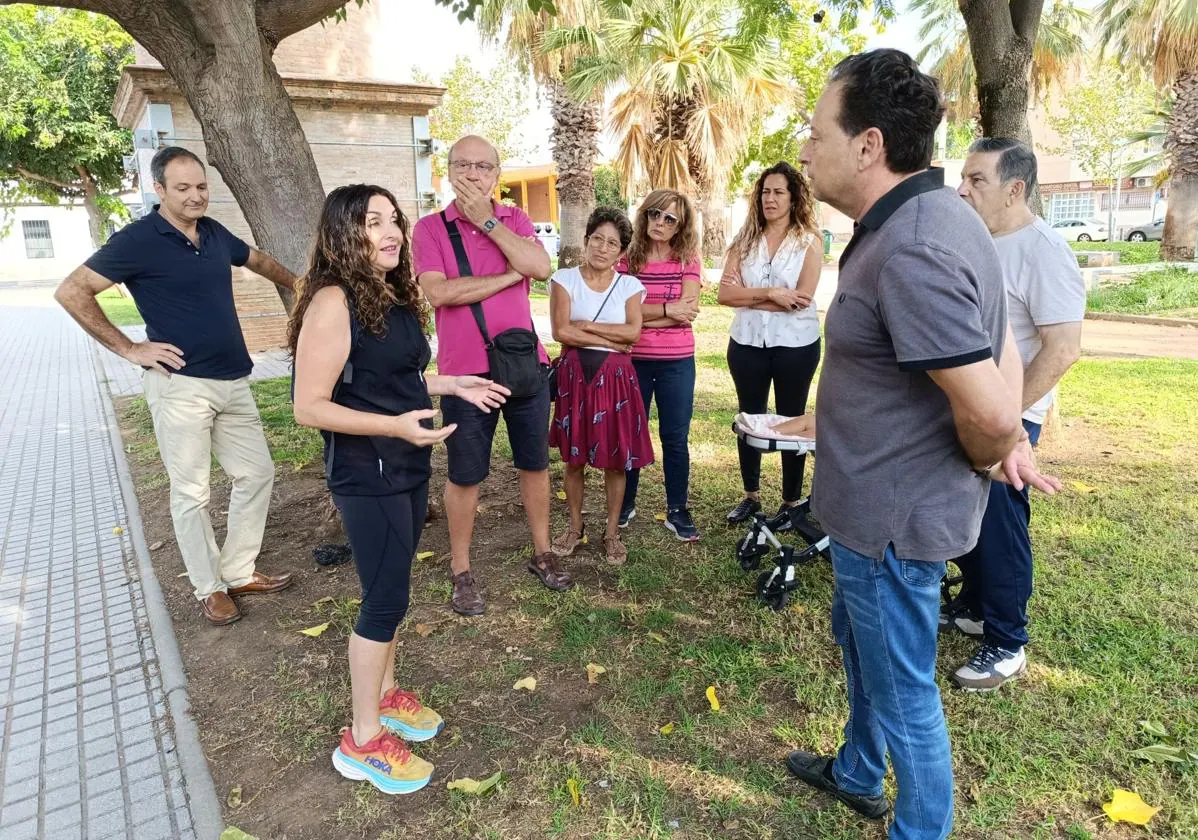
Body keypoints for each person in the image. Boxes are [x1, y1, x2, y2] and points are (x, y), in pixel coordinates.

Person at [776, 50, 1060, 839]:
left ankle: (920, 829)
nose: (805, 149)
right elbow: (997, 336)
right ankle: (860, 773)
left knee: (904, 690)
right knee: (865, 655)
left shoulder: (915, 246)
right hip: (870, 514)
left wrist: (995, 443)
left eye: (815, 131)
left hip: (894, 525)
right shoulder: (932, 217)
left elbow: (992, 409)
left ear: (867, 145)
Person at [290, 184, 510, 794]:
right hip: (369, 474)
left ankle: (385, 697)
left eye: (395, 220)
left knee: (394, 589)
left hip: (407, 463)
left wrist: (454, 383)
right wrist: (392, 426)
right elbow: (308, 406)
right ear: (344, 233)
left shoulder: (388, 293)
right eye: (373, 222)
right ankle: (362, 739)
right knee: (383, 601)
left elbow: (400, 376)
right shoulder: (333, 301)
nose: (392, 232)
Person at [55, 146, 297, 626]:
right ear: (159, 190)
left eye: (201, 187)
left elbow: (260, 261)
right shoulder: (137, 240)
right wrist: (129, 349)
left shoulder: (212, 233)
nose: (194, 196)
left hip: (234, 380)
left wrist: (302, 285)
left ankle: (238, 569)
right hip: (181, 387)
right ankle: (209, 588)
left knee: (257, 474)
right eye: (182, 188)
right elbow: (71, 291)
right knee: (192, 493)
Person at [412, 135, 569, 617]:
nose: (474, 175)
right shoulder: (429, 229)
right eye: (464, 165)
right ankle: (461, 569)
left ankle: (543, 552)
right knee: (465, 474)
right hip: (465, 377)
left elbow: (540, 266)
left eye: (484, 167)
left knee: (535, 464)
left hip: (525, 366)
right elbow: (440, 294)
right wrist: (507, 276)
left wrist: (487, 220)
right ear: (449, 172)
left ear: (497, 175)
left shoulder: (514, 219)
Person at [951, 138, 1085, 690]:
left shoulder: (1044, 250)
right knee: (970, 518)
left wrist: (1008, 418)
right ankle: (976, 604)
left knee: (1002, 526)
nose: (962, 189)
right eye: (963, 177)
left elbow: (1062, 347)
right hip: (973, 409)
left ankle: (1007, 642)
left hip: (1011, 417)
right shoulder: (977, 242)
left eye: (977, 180)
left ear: (1015, 188)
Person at [718, 162, 823, 529]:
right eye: (765, 192)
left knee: (792, 419)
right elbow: (724, 294)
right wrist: (771, 294)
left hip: (796, 345)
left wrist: (748, 296)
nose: (770, 199)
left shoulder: (809, 240)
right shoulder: (744, 241)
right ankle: (750, 496)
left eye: (779, 192)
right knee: (750, 416)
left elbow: (802, 299)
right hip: (747, 342)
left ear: (794, 198)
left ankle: (791, 501)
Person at [548, 208, 653, 566]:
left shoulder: (629, 286)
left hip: (616, 383)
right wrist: (613, 339)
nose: (603, 247)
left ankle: (612, 533)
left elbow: (633, 333)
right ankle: (574, 527)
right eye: (597, 239)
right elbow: (561, 331)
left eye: (612, 243)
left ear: (621, 252)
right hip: (577, 378)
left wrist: (587, 328)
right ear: (586, 239)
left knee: (615, 461)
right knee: (574, 460)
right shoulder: (564, 279)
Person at [615, 189, 703, 541]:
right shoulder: (626, 258)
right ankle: (625, 503)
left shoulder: (688, 259)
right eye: (655, 214)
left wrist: (639, 317)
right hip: (633, 361)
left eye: (670, 218)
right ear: (644, 214)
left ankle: (677, 510)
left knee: (675, 437)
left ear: (681, 225)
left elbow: (690, 309)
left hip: (677, 362)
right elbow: (622, 311)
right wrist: (667, 311)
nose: (660, 223)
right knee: (631, 433)